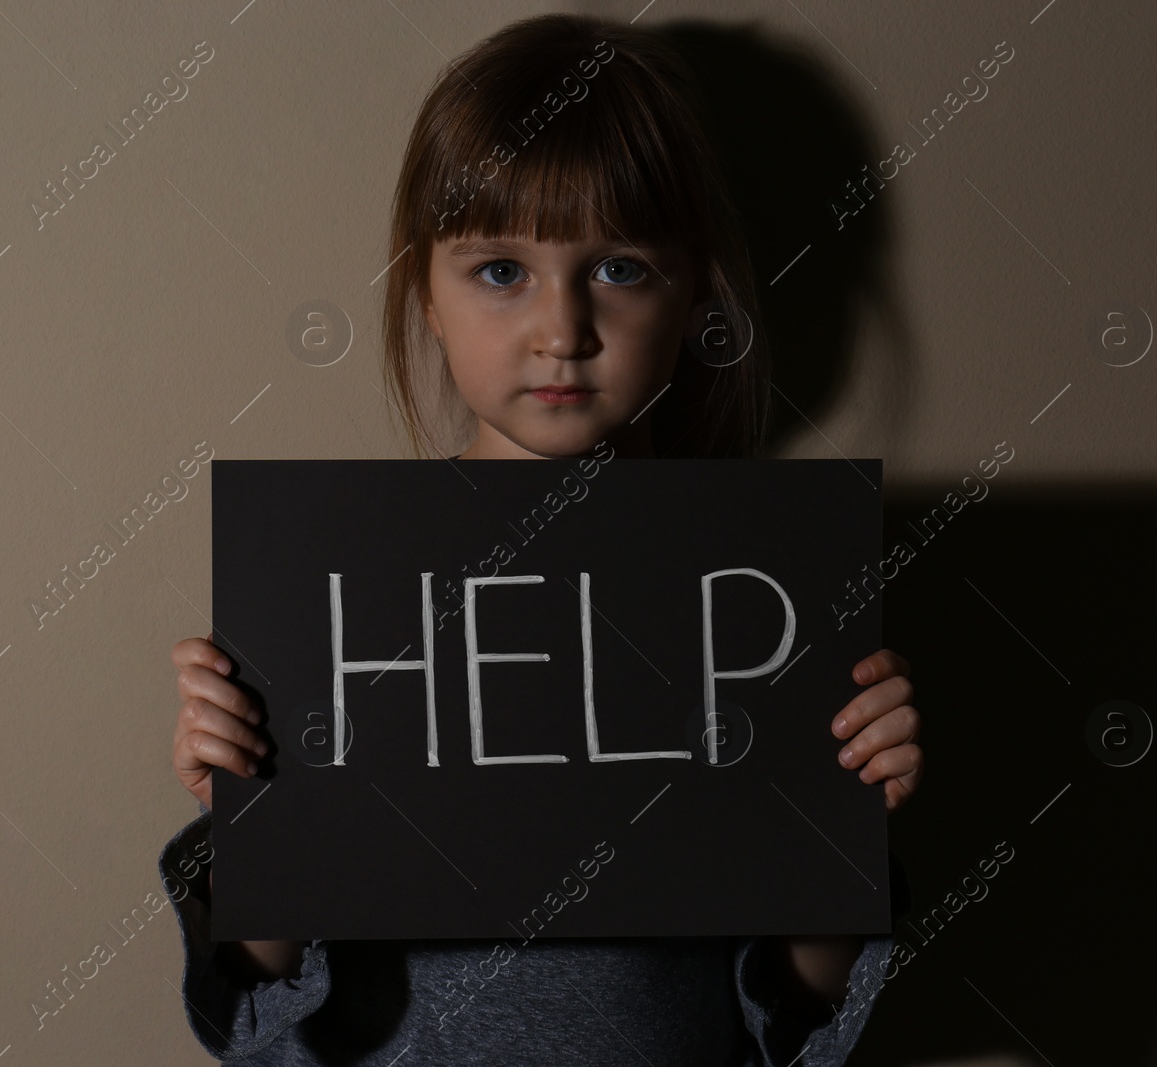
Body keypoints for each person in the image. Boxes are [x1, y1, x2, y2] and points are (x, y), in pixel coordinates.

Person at [158, 12, 923, 1064]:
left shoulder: (760, 596)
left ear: (695, 285)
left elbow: (797, 1022)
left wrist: (839, 823)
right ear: (423, 288)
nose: (560, 329)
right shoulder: (338, 595)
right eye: (500, 271)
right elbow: (257, 1006)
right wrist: (260, 816)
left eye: (618, 268)